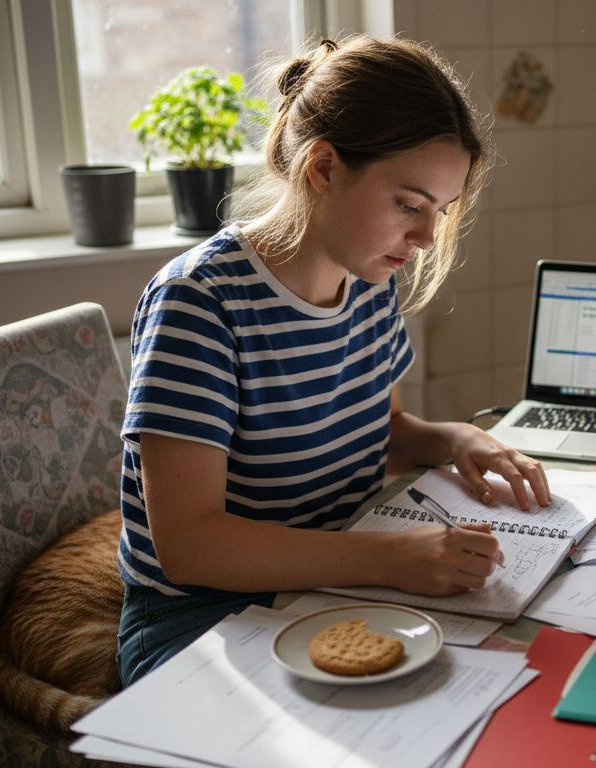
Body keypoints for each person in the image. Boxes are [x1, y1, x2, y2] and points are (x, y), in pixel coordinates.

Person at [116, 35, 551, 685]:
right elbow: (190, 547)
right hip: (202, 616)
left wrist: (454, 439)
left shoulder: (372, 284)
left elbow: (378, 438)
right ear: (322, 168)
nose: (427, 238)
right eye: (409, 203)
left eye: (441, 210)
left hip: (332, 586)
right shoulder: (199, 302)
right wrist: (387, 559)